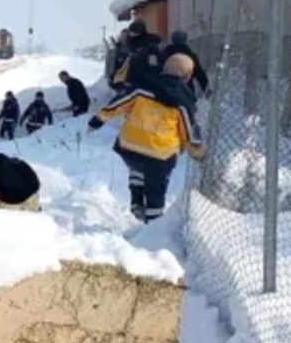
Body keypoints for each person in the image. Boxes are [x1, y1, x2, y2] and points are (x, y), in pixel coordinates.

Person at [87, 53, 205, 223]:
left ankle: (136, 200)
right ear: (187, 76)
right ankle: (153, 224)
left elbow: (118, 103)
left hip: (129, 146)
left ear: (164, 68)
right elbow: (189, 130)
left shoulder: (143, 87)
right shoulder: (184, 101)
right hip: (160, 154)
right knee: (156, 187)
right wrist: (197, 151)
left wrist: (97, 120)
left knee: (137, 165)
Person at [111, 19, 163, 90]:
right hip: (130, 83)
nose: (131, 35)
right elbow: (122, 65)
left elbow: (153, 66)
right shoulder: (130, 44)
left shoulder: (151, 46)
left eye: (134, 33)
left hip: (146, 84)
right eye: (130, 33)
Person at [160, 30, 209, 97]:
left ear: (172, 40)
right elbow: (199, 73)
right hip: (186, 91)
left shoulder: (165, 54)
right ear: (185, 40)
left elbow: (158, 70)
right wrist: (206, 89)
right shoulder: (191, 55)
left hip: (167, 89)